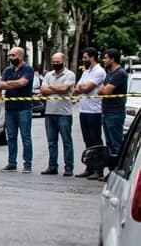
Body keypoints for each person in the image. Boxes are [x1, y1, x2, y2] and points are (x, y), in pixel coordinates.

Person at [0, 47, 34, 173]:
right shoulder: (8, 70)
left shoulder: (28, 69)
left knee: (26, 137)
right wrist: (13, 83)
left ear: (21, 56)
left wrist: (8, 84)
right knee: (11, 137)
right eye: (9, 56)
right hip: (10, 108)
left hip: (24, 108)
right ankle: (12, 163)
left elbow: (22, 83)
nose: (11, 58)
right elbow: (0, 85)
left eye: (13, 55)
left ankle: (27, 164)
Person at [38, 53, 76, 176]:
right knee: (51, 142)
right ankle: (52, 166)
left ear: (64, 61)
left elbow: (64, 89)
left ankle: (68, 167)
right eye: (53, 61)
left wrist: (50, 88)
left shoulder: (70, 74)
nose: (55, 63)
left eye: (57, 61)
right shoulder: (48, 75)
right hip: (49, 113)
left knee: (67, 141)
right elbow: (43, 90)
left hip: (64, 113)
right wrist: (55, 88)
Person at [74, 47, 106, 179]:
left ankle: (99, 169)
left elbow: (87, 88)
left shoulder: (99, 71)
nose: (83, 60)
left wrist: (82, 87)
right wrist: (82, 87)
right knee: (87, 141)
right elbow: (77, 88)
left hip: (95, 110)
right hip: (84, 109)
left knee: (95, 140)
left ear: (92, 57)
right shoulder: (86, 72)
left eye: (85, 58)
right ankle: (90, 166)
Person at [99, 48, 129, 178]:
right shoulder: (109, 73)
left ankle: (119, 170)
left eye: (105, 58)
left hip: (115, 112)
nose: (104, 60)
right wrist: (102, 89)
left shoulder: (119, 73)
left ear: (112, 59)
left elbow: (105, 91)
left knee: (116, 143)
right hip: (107, 111)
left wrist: (102, 90)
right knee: (110, 143)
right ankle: (112, 170)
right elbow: (103, 89)